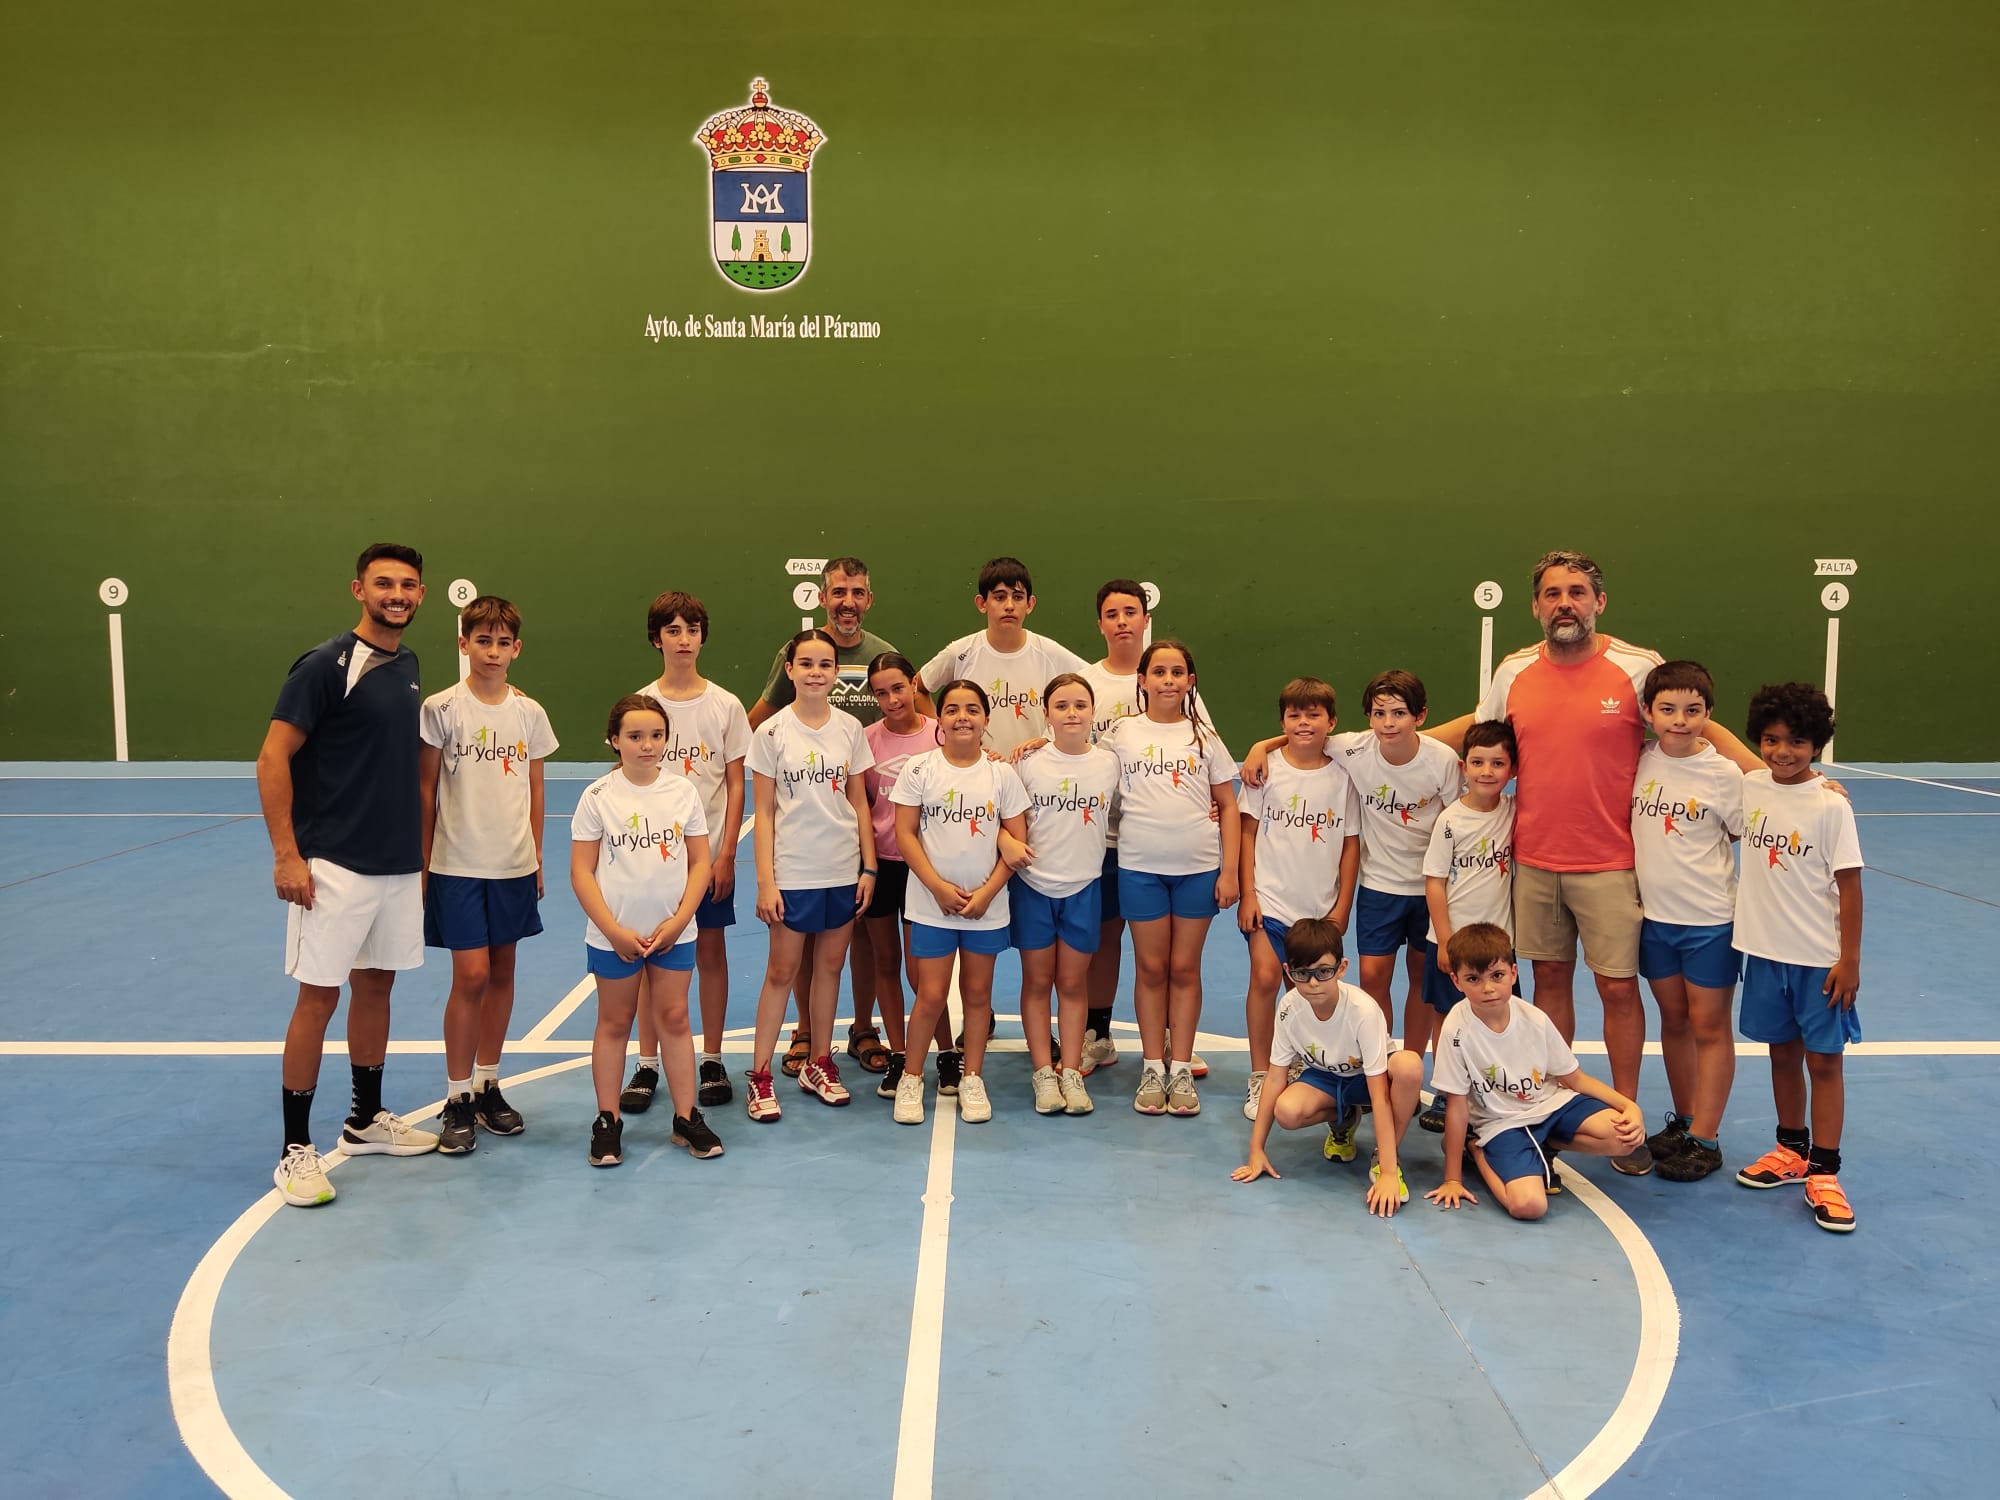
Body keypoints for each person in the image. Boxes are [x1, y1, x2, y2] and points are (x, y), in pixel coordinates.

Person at [1428, 550, 1759, 1176]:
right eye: (1553, 594)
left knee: (1617, 989)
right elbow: (1479, 727)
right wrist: (1385, 742)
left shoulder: (1638, 667)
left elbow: (1702, 726)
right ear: (1536, 606)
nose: (1565, 604)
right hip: (1533, 862)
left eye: (1577, 592)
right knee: (1548, 984)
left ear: (1598, 602)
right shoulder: (1514, 670)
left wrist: (1770, 778)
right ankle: (1548, 1105)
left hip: (1611, 864)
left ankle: (1624, 1121)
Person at [257, 542, 439, 1208]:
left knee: (377, 986)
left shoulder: (408, 663)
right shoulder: (325, 665)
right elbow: (272, 757)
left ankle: (364, 1120)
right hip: (333, 863)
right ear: (359, 589)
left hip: (397, 863)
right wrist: (287, 854)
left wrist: (421, 859)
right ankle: (294, 1151)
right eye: (385, 583)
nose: (398, 595)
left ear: (421, 595)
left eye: (409, 585)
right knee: (319, 998)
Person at [747, 557, 906, 1077]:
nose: (848, 602)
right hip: (800, 845)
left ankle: (859, 1027)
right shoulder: (789, 672)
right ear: (823, 597)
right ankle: (806, 1031)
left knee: (855, 941)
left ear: (869, 599)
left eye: (857, 593)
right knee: (797, 951)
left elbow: (919, 715)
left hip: (859, 831)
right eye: (839, 592)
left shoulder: (881, 654)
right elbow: (759, 718)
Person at [418, 595, 559, 1153]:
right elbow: (425, 788)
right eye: (483, 641)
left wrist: (536, 855)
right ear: (464, 644)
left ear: (516, 649)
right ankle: (455, 1096)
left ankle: (487, 1085)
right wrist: (423, 861)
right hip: (455, 863)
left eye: (503, 643)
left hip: (513, 864)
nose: (493, 652)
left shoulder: (529, 713)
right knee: (471, 975)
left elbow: (536, 788)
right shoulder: (440, 709)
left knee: (502, 972)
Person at [1731, 683, 1864, 1233]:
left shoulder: (1831, 806)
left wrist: (1849, 960)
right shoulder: (1751, 786)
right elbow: (1713, 735)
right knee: (1781, 1055)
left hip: (1818, 961)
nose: (1782, 752)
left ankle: (1825, 1172)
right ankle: (1791, 1150)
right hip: (1764, 954)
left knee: (1824, 1062)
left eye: (1797, 742)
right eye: (1771, 740)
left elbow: (1850, 888)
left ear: (1817, 744)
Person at [570, 696, 720, 1167]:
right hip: (614, 938)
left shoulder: (683, 793)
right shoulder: (598, 797)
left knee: (674, 1018)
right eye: (635, 736)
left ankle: (685, 1117)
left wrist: (679, 921)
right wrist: (612, 930)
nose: (647, 745)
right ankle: (607, 1120)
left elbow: (700, 862)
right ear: (614, 740)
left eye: (656, 735)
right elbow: (581, 872)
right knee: (615, 1022)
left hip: (674, 933)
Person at [620, 591, 751, 1117]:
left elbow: (736, 785)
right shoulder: (641, 704)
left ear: (702, 637)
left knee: (711, 953)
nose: (683, 639)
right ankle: (647, 1062)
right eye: (673, 630)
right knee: (651, 957)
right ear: (657, 639)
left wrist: (725, 853)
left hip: (706, 859)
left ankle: (712, 1058)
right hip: (652, 865)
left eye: (692, 630)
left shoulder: (725, 705)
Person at [743, 629, 878, 1121]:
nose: (816, 672)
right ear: (790, 671)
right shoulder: (771, 733)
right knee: (782, 971)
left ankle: (820, 1063)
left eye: (825, 664)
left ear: (837, 672)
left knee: (830, 968)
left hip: (841, 868)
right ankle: (760, 1076)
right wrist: (766, 881)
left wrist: (869, 866)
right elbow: (763, 813)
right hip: (793, 871)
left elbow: (859, 801)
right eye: (806, 664)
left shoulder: (850, 729)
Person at [1101, 639, 1239, 1117]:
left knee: (1184, 968)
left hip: (1198, 870)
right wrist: (1039, 746)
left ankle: (1180, 1066)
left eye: (1177, 672)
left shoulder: (1205, 738)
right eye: (1158, 672)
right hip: (1140, 869)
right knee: (1151, 968)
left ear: (1190, 682)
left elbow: (1229, 806)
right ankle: (1151, 1067)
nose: (1168, 680)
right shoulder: (1121, 733)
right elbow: (1082, 766)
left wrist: (1229, 871)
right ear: (1141, 680)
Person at [1425, 923, 1645, 1221]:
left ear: (1514, 973)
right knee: (1529, 1206)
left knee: (1626, 1138)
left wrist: (1629, 1106)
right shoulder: (1456, 1028)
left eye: (1497, 976)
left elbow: (1574, 1078)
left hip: (1550, 1105)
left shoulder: (1534, 1018)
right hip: (1502, 1123)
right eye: (1474, 979)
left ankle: (1545, 1142)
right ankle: (1476, 1149)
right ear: (1456, 981)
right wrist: (1453, 1178)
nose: (1488, 988)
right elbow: (1457, 1105)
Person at [890, 681, 1032, 1125]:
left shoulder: (1002, 776)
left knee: (977, 994)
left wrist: (987, 893)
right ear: (940, 718)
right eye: (952, 709)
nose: (962, 717)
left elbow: (1017, 843)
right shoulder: (919, 769)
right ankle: (912, 1077)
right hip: (931, 905)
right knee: (930, 995)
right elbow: (905, 835)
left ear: (986, 719)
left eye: (972, 709)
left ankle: (972, 1078)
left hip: (985, 908)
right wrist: (936, 887)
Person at [1629, 661, 1745, 1182]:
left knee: (1710, 1026)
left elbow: (1745, 829)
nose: (1680, 720)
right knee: (1673, 1020)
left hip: (1710, 922)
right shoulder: (1639, 761)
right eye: (1668, 709)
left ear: (1708, 714)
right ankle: (1685, 1121)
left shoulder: (1724, 774)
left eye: (1693, 710)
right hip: (1654, 920)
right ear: (1647, 713)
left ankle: (1707, 1137)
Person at [1232, 919, 1422, 1217]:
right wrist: (1256, 1150)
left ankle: (1385, 1158)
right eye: (1302, 974)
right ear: (1288, 972)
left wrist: (1387, 1172)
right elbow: (1275, 1079)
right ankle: (1344, 1118)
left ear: (1341, 968)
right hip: (1326, 1078)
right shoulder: (1289, 1008)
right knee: (1287, 1111)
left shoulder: (1363, 1011)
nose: (1313, 984)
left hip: (1369, 1079)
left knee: (1410, 1066)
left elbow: (1380, 1097)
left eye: (1323, 972)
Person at [1235, 677, 1360, 1120]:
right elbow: (1247, 833)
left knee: (1308, 991)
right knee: (1265, 977)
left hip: (1319, 910)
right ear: (1282, 721)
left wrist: (1342, 906)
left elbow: (1350, 845)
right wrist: (1248, 893)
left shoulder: (1344, 776)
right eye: (1294, 715)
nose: (1303, 722)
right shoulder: (1265, 769)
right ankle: (1259, 1074)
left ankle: (1301, 1065)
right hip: (1270, 903)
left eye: (1313, 715)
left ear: (1332, 722)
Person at [1010, 672, 1120, 1116]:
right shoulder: (1027, 763)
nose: (1071, 713)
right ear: (1047, 714)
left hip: (1084, 888)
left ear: (1093, 712)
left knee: (1073, 983)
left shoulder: (1110, 763)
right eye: (1061, 706)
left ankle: (1070, 1071)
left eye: (1080, 705)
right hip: (1033, 888)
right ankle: (1043, 1072)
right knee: (1038, 982)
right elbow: (1002, 813)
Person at [1416, 719, 1517, 1129]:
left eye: (1498, 763)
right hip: (1453, 943)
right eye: (1478, 762)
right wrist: (1444, 941)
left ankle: (1495, 1087)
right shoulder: (1450, 820)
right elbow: (1434, 883)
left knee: (1497, 1013)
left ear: (1512, 769)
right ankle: (1446, 1090)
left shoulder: (1513, 812)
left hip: (1497, 944)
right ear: (1463, 767)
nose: (1487, 772)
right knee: (1447, 1014)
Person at [860, 652, 948, 1098]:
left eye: (898, 688)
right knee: (886, 962)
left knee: (923, 975)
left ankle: (947, 1053)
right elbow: (862, 807)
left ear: (914, 684)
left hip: (924, 869)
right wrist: (867, 865)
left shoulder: (940, 734)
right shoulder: (866, 741)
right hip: (882, 867)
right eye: (881, 693)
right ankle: (898, 1055)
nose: (892, 699)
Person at [1077, 580, 1149, 1074]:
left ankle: (1168, 1038)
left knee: (1155, 944)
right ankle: (1098, 1035)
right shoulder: (1085, 683)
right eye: (1112, 614)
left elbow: (1202, 745)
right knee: (1103, 937)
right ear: (1100, 624)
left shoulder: (1168, 678)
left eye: (1130, 611)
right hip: (1098, 838)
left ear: (1145, 619)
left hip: (1154, 838)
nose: (1122, 621)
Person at [915, 555, 1090, 760]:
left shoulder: (1049, 653)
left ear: (1030, 604)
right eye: (999, 597)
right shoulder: (961, 652)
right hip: (979, 772)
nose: (1009, 605)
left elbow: (1095, 684)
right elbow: (917, 689)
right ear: (982, 603)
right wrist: (948, 735)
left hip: (1037, 773)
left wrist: (1050, 738)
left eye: (1018, 597)